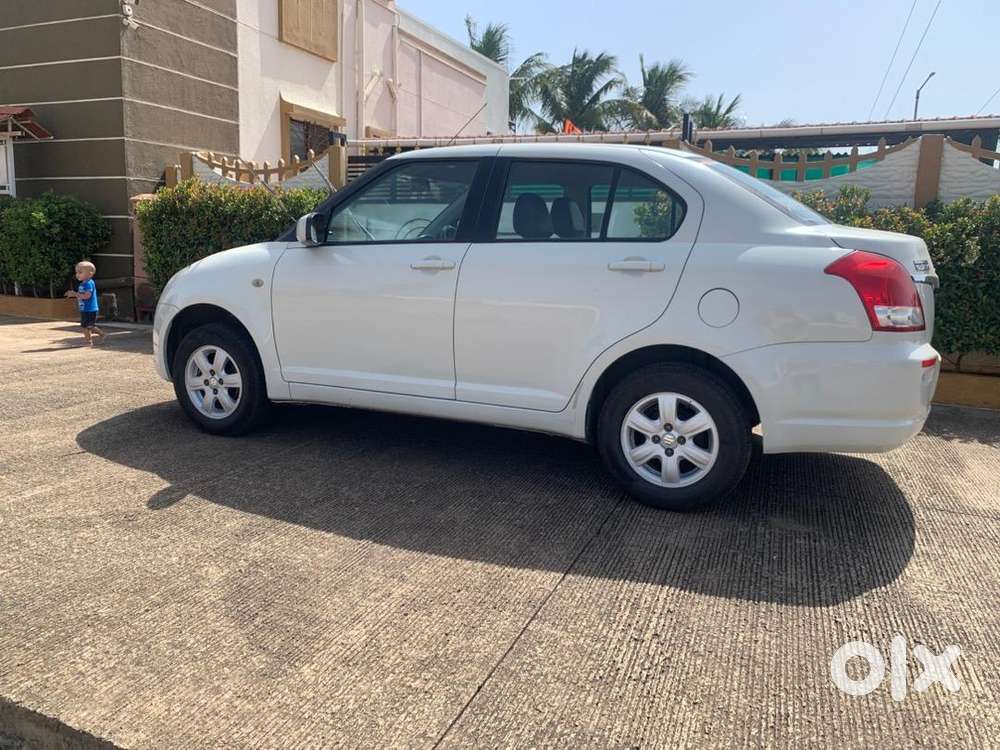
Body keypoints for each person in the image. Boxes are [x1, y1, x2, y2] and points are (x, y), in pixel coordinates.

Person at [65, 261, 104, 346]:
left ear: (90, 274)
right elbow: (81, 296)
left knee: (89, 326)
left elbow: (87, 296)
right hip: (84, 308)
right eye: (76, 272)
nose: (77, 274)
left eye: (80, 272)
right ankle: (88, 342)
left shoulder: (89, 283)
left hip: (90, 308)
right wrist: (74, 296)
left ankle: (101, 334)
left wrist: (75, 294)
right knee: (84, 326)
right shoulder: (82, 284)